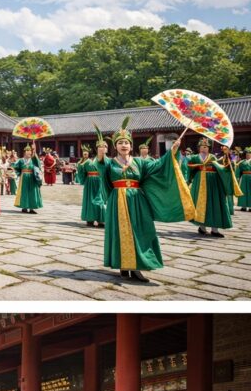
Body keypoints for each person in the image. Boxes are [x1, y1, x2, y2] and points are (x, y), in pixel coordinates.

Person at [101, 120, 193, 283]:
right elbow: (103, 175)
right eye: (120, 143)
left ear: (131, 146)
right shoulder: (109, 163)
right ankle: (123, 265)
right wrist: (101, 154)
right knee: (120, 232)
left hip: (137, 200)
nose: (124, 145)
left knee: (140, 230)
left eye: (126, 143)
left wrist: (173, 150)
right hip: (117, 201)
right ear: (115, 146)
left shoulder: (140, 162)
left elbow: (159, 166)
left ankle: (137, 266)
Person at [186, 138, 239, 238]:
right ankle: (202, 227)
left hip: (213, 184)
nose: (204, 148)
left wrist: (227, 154)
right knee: (200, 204)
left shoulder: (213, 157)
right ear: (198, 148)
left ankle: (215, 229)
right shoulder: (194, 158)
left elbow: (225, 166)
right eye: (202, 146)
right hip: (199, 182)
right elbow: (188, 169)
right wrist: (187, 180)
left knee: (214, 204)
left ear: (209, 148)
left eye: (206, 147)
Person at [78, 142, 109, 227]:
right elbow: (82, 172)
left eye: (104, 147)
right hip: (90, 182)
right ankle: (90, 219)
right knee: (89, 200)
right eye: (99, 147)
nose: (102, 148)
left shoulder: (107, 160)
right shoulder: (86, 161)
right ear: (96, 149)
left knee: (101, 200)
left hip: (101, 182)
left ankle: (101, 220)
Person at [13, 145, 43, 214]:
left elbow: (38, 164)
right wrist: (18, 173)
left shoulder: (33, 159)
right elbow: (15, 166)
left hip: (32, 177)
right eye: (27, 152)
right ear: (24, 153)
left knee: (32, 192)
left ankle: (32, 208)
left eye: (29, 152)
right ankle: (24, 207)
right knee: (24, 192)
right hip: (23, 177)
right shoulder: (21, 160)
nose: (28, 153)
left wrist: (34, 150)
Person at [236, 147, 251, 212]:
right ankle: (243, 206)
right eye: (247, 154)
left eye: (249, 154)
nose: (248, 155)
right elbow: (238, 170)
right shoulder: (242, 162)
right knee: (243, 191)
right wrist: (237, 177)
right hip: (244, 177)